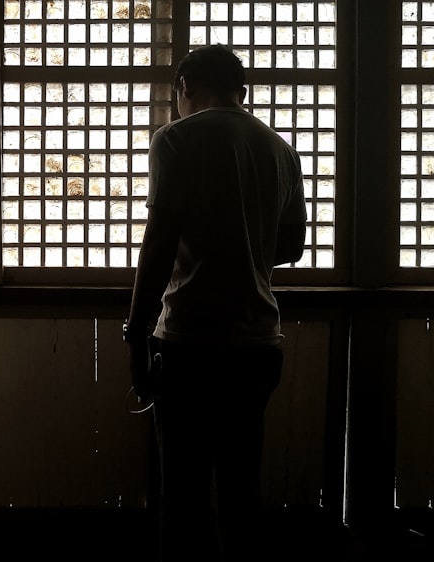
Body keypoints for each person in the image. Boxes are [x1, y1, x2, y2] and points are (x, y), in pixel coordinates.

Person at [123, 44, 307, 561]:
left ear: (183, 88)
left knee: (181, 493)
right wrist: (243, 245)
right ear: (241, 90)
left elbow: (159, 241)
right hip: (256, 342)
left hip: (189, 340)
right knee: (239, 489)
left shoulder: (175, 139)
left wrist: (136, 332)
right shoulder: (278, 148)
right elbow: (292, 246)